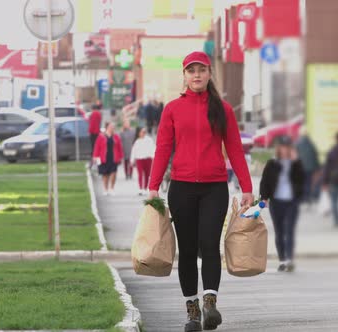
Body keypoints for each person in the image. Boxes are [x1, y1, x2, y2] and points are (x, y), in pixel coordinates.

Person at [147, 51, 253, 332]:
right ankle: (192, 312)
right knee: (187, 250)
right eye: (191, 70)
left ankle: (210, 303)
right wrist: (152, 186)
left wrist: (247, 187)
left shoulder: (223, 109)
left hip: (214, 189)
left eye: (202, 70)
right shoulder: (172, 109)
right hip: (181, 189)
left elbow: (235, 149)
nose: (197, 75)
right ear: (184, 75)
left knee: (209, 246)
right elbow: (162, 149)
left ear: (209, 74)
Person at [259, 136, 304, 272]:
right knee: (279, 231)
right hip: (276, 201)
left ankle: (290, 259)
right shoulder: (272, 163)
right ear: (279, 148)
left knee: (289, 230)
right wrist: (264, 198)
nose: (285, 150)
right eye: (282, 147)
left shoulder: (296, 164)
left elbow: (302, 180)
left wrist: (296, 162)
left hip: (291, 201)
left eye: (287, 147)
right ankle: (282, 260)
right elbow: (265, 181)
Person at [93, 122, 124, 196]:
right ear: (107, 127)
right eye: (111, 127)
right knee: (105, 174)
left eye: (113, 127)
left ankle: (112, 188)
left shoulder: (116, 136)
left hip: (114, 157)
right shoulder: (101, 136)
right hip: (104, 158)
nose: (112, 128)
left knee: (114, 173)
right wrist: (95, 156)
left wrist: (121, 157)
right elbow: (97, 147)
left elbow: (120, 147)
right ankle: (105, 189)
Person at [296, 126, 320, 205]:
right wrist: (317, 166)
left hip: (300, 167)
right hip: (310, 168)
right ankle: (307, 197)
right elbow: (315, 154)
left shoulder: (298, 143)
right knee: (308, 182)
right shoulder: (311, 143)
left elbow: (294, 155)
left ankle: (303, 198)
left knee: (301, 182)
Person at [130, 127, 155, 196]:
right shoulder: (137, 141)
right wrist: (132, 160)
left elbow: (153, 148)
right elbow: (133, 151)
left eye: (144, 132)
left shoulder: (149, 140)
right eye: (142, 132)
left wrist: (153, 157)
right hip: (139, 159)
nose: (143, 133)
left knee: (147, 174)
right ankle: (140, 188)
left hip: (147, 159)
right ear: (139, 133)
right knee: (140, 174)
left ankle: (145, 188)